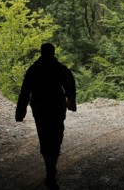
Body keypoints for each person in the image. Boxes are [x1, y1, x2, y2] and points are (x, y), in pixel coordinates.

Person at [15, 42, 77, 190]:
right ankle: (51, 170)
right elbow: (70, 84)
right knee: (56, 137)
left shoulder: (33, 69)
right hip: (56, 108)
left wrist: (20, 111)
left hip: (40, 109)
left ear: (41, 52)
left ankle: (49, 169)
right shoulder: (59, 68)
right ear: (53, 53)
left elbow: (25, 91)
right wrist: (71, 102)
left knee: (44, 137)